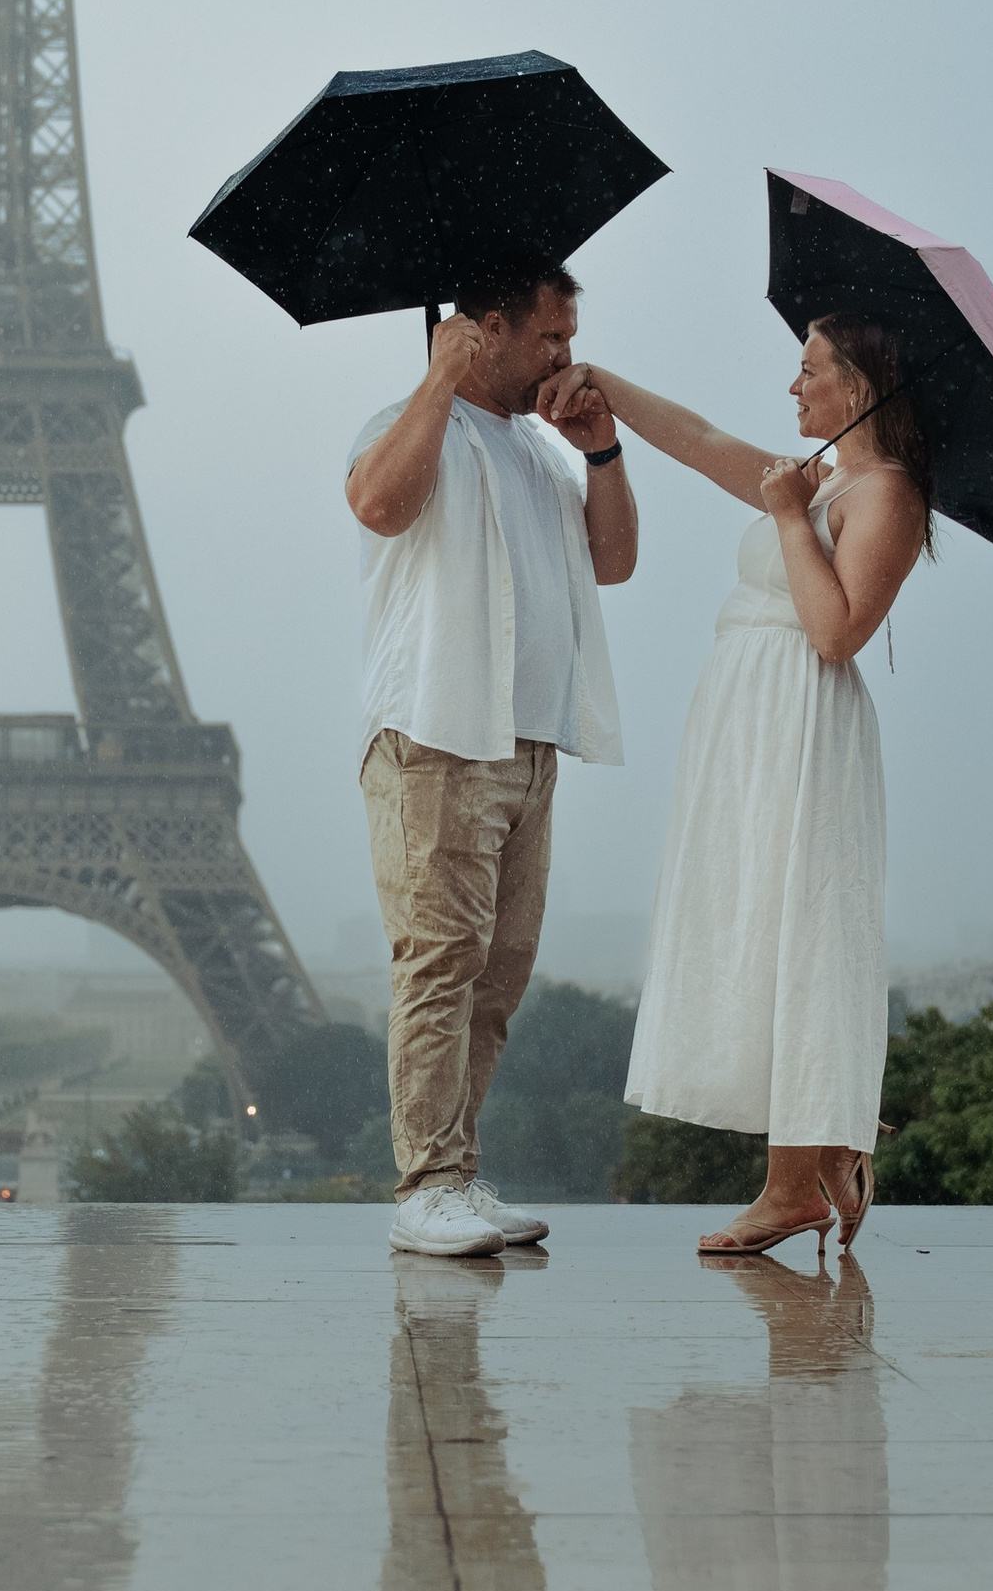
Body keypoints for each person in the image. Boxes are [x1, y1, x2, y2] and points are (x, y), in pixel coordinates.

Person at [542, 319, 928, 1258]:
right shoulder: (826, 477)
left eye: (810, 372)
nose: (793, 389)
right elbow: (705, 442)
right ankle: (816, 1156)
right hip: (750, 725)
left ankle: (793, 1183)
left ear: (860, 386)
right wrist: (604, 387)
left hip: (804, 724)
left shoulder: (887, 494)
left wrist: (792, 518)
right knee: (757, 926)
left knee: (802, 928)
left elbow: (837, 633)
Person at [346, 260, 639, 1257]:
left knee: (497, 976)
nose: (565, 356)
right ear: (488, 329)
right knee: (439, 963)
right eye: (549, 337)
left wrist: (601, 453)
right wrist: (436, 383)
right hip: (435, 737)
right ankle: (424, 1182)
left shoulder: (541, 452)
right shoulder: (411, 422)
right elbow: (379, 507)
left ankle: (454, 1176)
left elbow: (613, 560)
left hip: (525, 744)